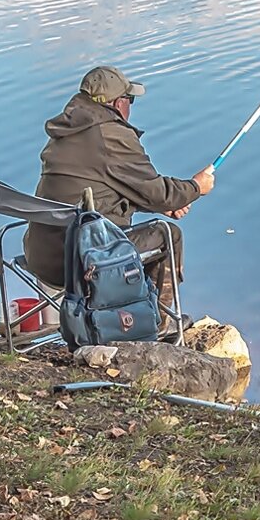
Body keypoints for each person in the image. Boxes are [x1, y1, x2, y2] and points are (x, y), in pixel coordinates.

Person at [23, 65, 215, 338]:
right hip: (80, 262)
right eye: (130, 100)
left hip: (43, 256)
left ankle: (124, 312)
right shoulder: (111, 134)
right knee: (168, 236)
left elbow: (105, 190)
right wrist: (196, 187)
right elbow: (157, 190)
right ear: (119, 103)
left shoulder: (63, 134)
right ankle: (153, 323)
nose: (130, 107)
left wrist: (160, 203)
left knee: (142, 228)